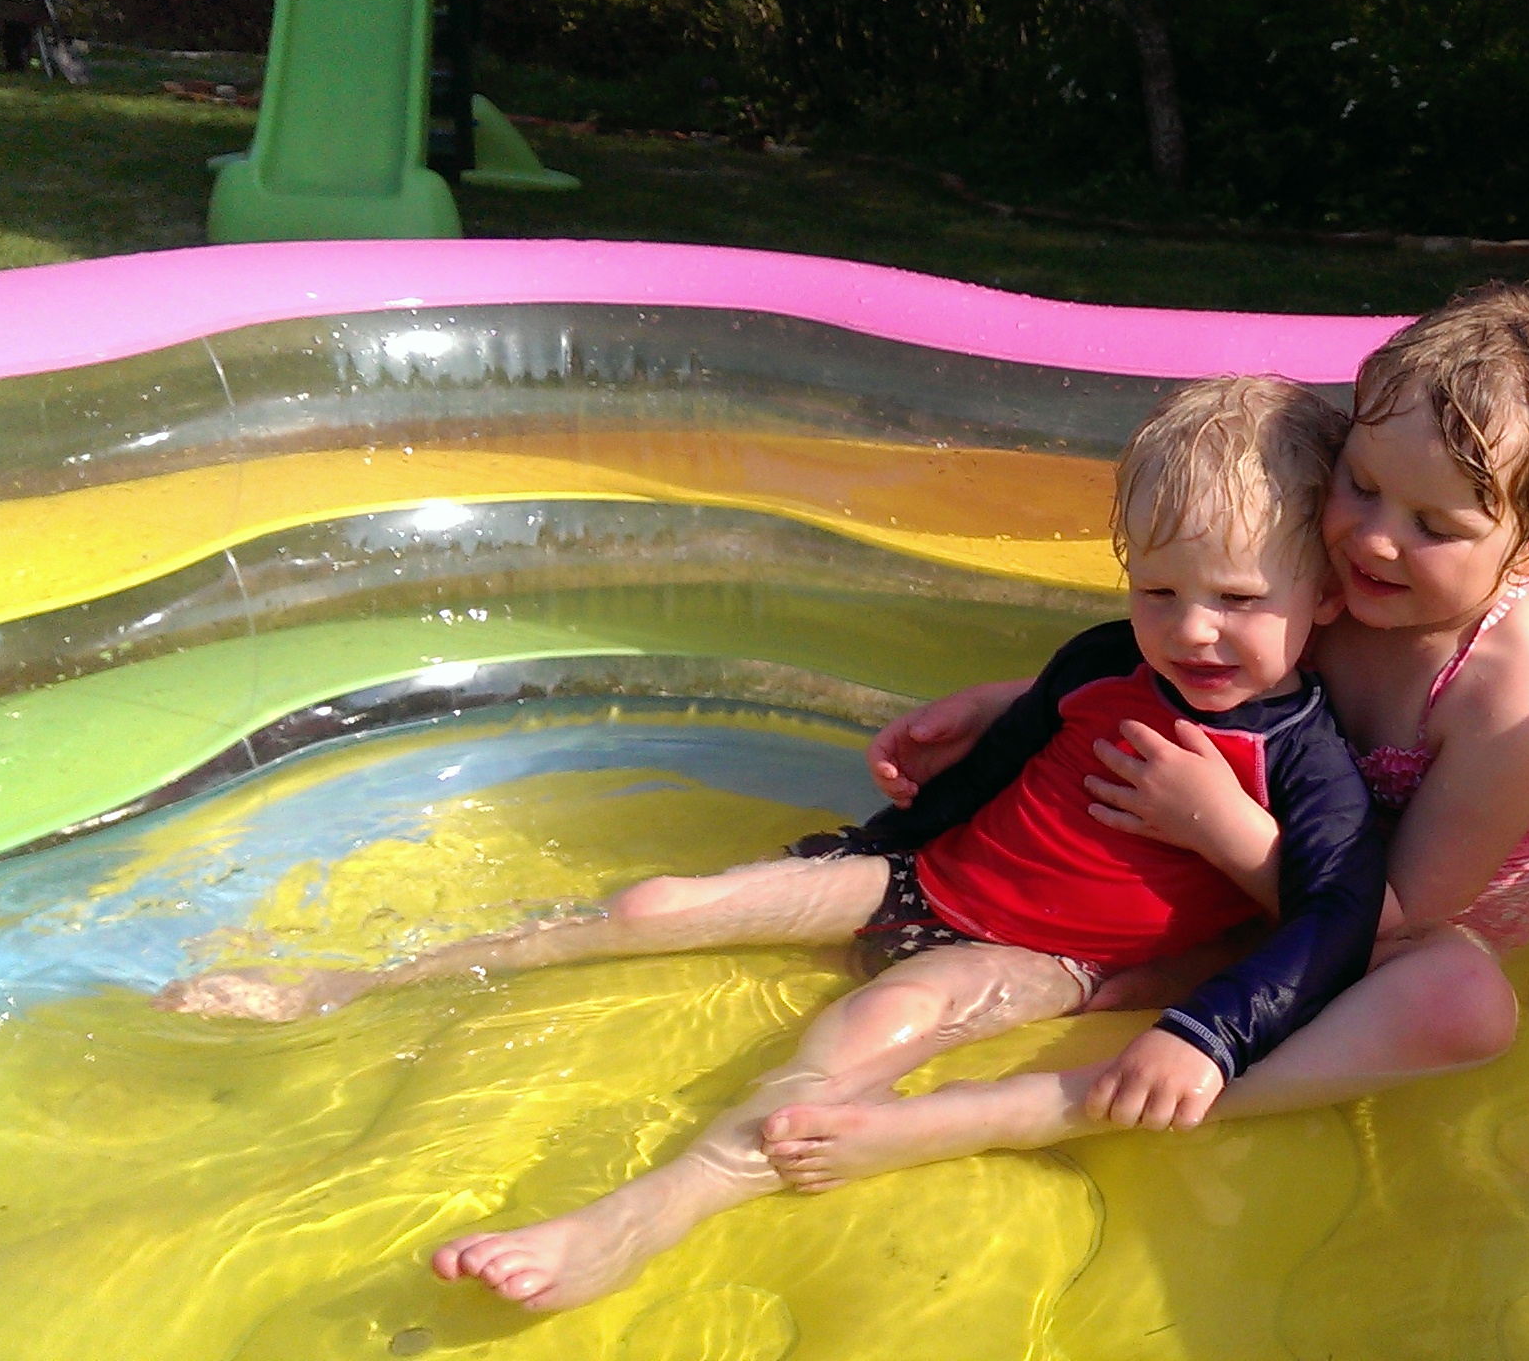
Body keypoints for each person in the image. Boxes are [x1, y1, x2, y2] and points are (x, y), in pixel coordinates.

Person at [155, 375, 1388, 1313]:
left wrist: (1205, 1027)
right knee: (651, 904)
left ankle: (642, 1215)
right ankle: (354, 983)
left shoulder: (1302, 760)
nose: (1192, 630)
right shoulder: (1101, 661)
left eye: (1238, 599)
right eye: (1160, 590)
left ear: (1324, 596)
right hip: (921, 877)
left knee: (857, 1042)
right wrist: (862, 849)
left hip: (1039, 953)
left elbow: (1339, 911)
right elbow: (998, 771)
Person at [761, 281, 1529, 1190]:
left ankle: (1063, 1103)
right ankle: (1136, 977)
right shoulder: (1348, 577)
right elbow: (1208, 674)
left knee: (1464, 1003)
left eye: (1433, 526)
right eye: (1362, 485)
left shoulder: (1513, 696)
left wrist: (1219, 826)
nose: (1373, 539)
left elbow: (1389, 913)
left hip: (1375, 934)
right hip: (1246, 872)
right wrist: (1013, 705)